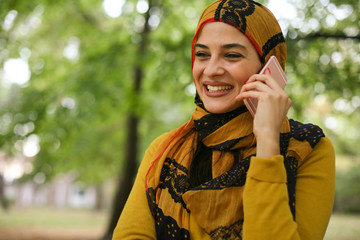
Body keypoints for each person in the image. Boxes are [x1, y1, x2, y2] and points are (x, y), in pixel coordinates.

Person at [113, 0, 335, 239]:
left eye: (231, 55)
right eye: (202, 54)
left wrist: (268, 142)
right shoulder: (165, 149)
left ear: (268, 67)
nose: (210, 70)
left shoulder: (309, 150)